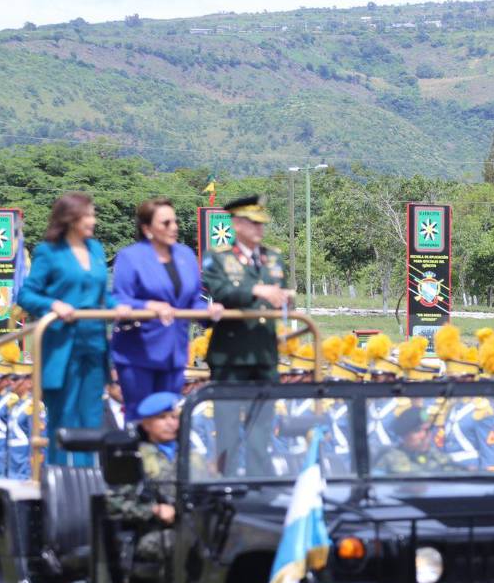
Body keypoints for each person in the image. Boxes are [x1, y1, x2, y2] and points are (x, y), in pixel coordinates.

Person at [16, 192, 130, 466]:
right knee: (64, 417)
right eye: (88, 214)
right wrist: (53, 304)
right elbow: (26, 295)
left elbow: (100, 294)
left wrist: (118, 307)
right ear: (70, 218)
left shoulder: (96, 250)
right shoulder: (49, 251)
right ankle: (60, 481)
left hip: (93, 343)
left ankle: (88, 481)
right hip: (62, 345)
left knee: (91, 417)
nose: (94, 220)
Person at [111, 198, 223, 418]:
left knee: (169, 418)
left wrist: (209, 311)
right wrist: (148, 305)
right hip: (139, 353)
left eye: (175, 221)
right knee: (142, 419)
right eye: (166, 223)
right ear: (147, 228)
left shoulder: (185, 255)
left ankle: (165, 454)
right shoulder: (130, 257)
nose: (174, 227)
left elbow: (192, 300)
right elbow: (119, 299)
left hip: (174, 353)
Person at [200, 195, 292, 382]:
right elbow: (220, 292)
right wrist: (255, 290)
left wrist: (287, 301)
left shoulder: (274, 258)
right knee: (228, 411)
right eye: (253, 223)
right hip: (231, 356)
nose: (259, 228)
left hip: (265, 354)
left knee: (266, 411)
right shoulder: (217, 257)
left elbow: (282, 297)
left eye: (261, 223)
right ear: (237, 224)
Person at [105, 392, 180, 563]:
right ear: (146, 424)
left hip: (192, 526)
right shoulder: (134, 457)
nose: (171, 423)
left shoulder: (190, 455)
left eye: (174, 417)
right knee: (183, 543)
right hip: (152, 532)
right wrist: (154, 510)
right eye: (162, 418)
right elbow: (114, 504)